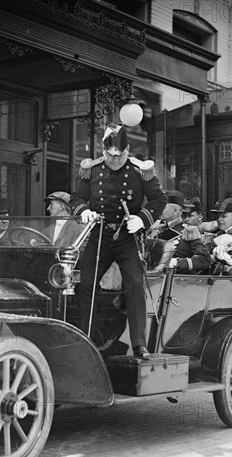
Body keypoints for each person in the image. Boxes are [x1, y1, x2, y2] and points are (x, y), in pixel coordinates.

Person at [70, 123, 167, 359]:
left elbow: (159, 199)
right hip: (99, 234)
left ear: (128, 150)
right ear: (103, 150)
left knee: (134, 284)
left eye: (120, 155)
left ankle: (138, 344)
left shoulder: (139, 170)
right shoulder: (91, 169)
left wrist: (142, 219)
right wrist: (83, 211)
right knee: (85, 283)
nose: (115, 159)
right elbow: (77, 197)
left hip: (127, 237)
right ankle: (87, 336)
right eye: (110, 154)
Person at [169, 197, 212, 273]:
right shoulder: (178, 233)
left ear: (200, 217)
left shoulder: (209, 235)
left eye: (190, 216)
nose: (186, 220)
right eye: (184, 216)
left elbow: (205, 260)